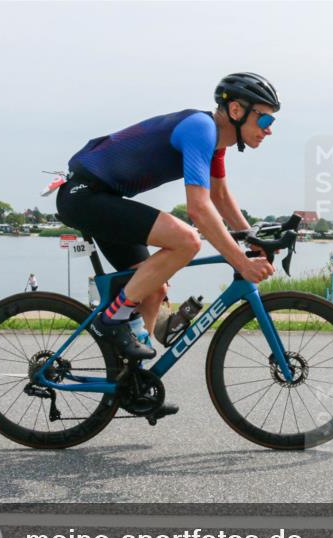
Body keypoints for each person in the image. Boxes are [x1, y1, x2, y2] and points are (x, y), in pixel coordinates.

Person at [55, 72, 278, 359]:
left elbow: (219, 197)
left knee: (153, 290)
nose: (269, 129)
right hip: (84, 195)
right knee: (187, 240)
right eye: (265, 120)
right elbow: (198, 208)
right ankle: (112, 319)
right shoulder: (201, 129)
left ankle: (132, 382)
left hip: (103, 198)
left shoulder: (216, 146)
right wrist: (241, 262)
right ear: (236, 110)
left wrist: (252, 239)